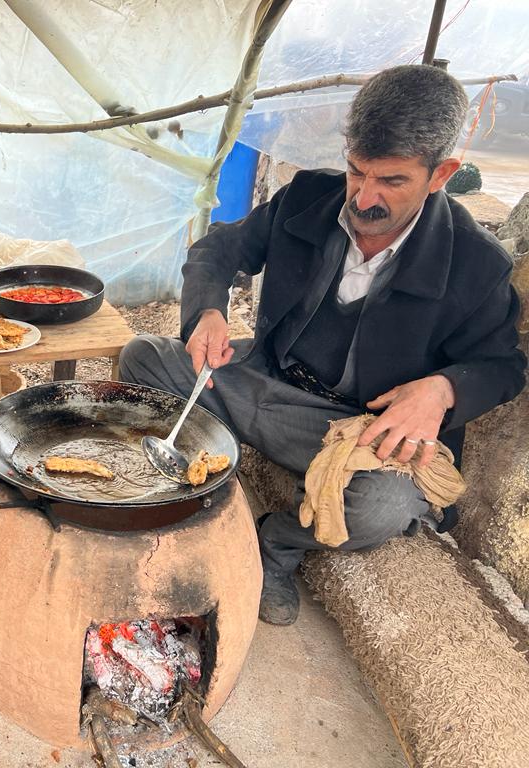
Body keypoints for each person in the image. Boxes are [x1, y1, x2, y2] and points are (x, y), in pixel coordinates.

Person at [119, 65, 526, 626]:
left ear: (441, 174)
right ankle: (206, 470)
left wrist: (441, 390)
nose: (365, 197)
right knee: (142, 357)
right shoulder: (307, 198)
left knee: (382, 508)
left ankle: (276, 545)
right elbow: (217, 252)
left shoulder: (477, 264)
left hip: (351, 429)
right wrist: (206, 313)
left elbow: (503, 366)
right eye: (357, 171)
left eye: (392, 181)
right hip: (267, 382)